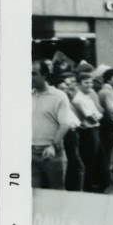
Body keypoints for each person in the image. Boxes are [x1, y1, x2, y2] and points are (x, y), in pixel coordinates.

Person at [32, 60, 73, 189]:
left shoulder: (59, 96)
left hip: (52, 153)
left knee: (57, 194)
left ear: (45, 75)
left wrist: (53, 146)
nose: (30, 77)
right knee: (34, 197)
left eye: (34, 73)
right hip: (31, 154)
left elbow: (65, 124)